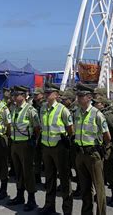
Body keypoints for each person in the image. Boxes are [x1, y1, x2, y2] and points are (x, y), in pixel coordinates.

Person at [73, 83, 110, 215]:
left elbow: (107, 136)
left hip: (93, 154)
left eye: (81, 95)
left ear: (89, 97)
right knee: (85, 188)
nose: (78, 98)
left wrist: (100, 149)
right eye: (78, 95)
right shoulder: (77, 112)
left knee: (99, 189)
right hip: (80, 154)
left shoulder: (97, 114)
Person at [38, 82, 74, 215]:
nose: (47, 94)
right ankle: (49, 206)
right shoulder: (42, 108)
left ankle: (67, 210)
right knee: (49, 178)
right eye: (46, 92)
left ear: (56, 95)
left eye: (49, 93)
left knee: (64, 180)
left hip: (59, 148)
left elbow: (70, 128)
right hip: (46, 147)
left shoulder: (62, 109)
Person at [7, 85, 40, 211]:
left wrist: (33, 141)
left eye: (17, 95)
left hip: (26, 144)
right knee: (18, 171)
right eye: (14, 95)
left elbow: (37, 128)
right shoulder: (14, 108)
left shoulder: (30, 110)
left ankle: (31, 199)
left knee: (28, 172)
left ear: (24, 95)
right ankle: (20, 195)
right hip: (15, 143)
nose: (15, 97)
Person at [93, 90, 113, 206]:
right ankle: (100, 193)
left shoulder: (108, 115)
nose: (95, 104)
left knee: (109, 171)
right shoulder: (95, 113)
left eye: (97, 103)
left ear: (102, 104)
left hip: (107, 147)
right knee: (99, 171)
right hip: (98, 146)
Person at [32, 87, 45, 184]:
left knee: (45, 157)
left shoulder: (44, 105)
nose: (35, 96)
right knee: (36, 156)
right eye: (34, 94)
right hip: (36, 132)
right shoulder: (33, 104)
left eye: (37, 94)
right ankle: (37, 176)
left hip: (44, 133)